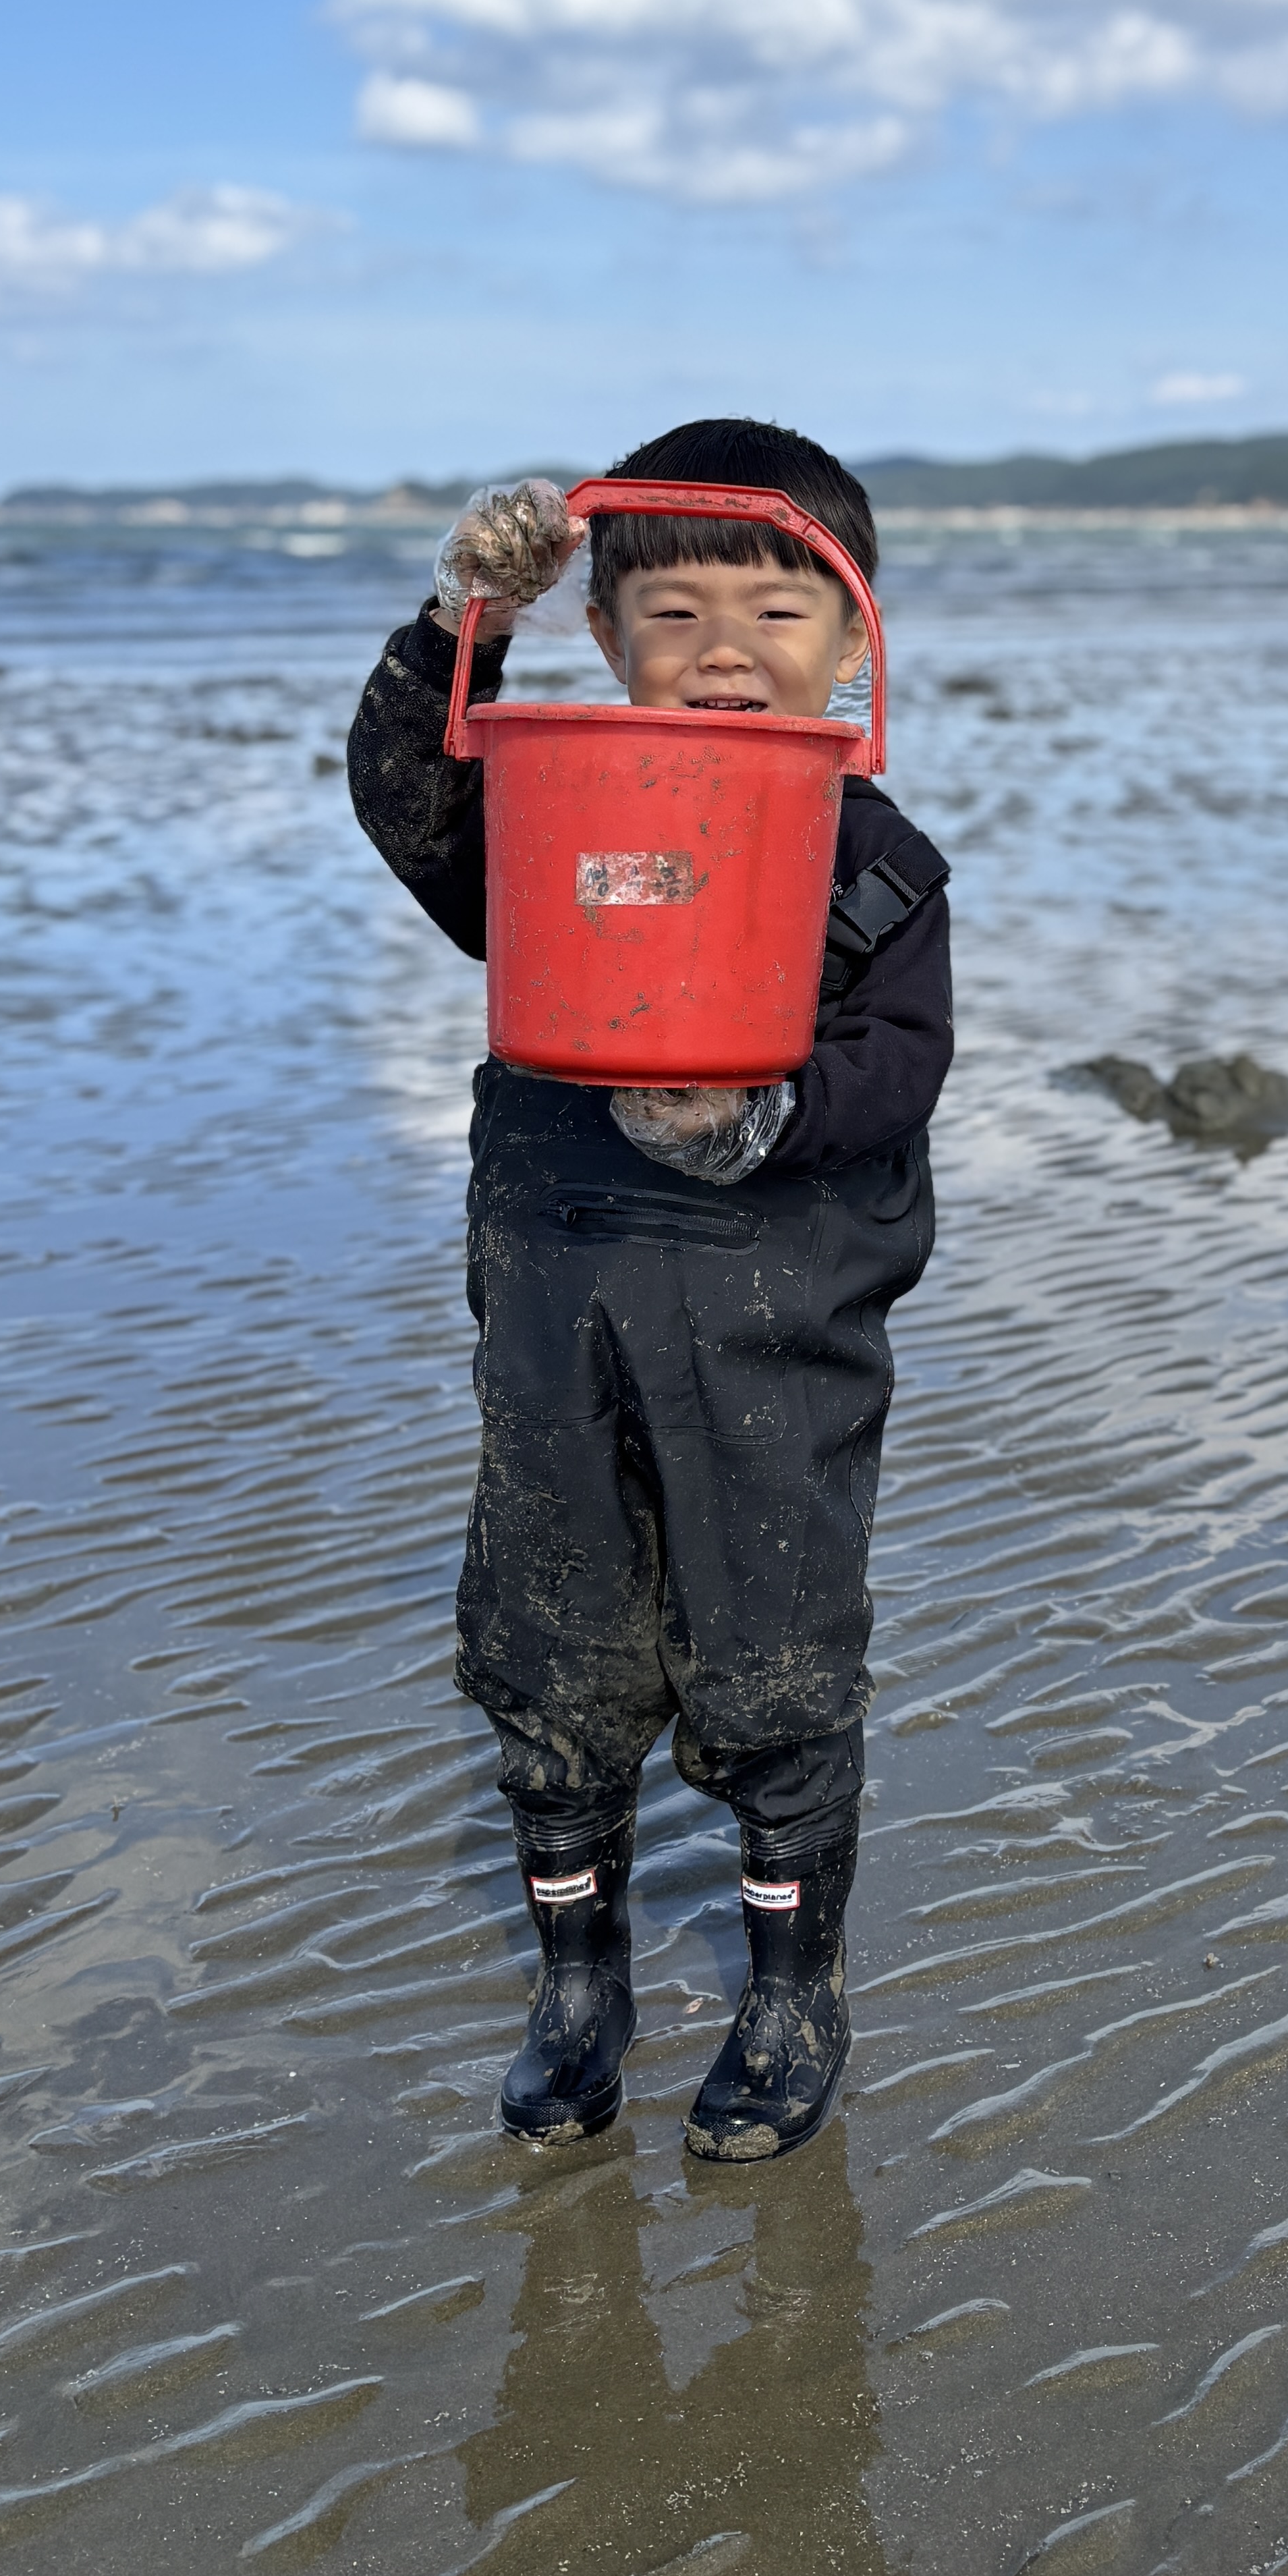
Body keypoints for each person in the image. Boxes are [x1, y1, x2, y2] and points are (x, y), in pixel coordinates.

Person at [345, 416, 952, 2162]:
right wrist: (463, 619)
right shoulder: (552, 825)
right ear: (605, 635)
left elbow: (902, 1067)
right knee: (555, 1662)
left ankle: (791, 1994)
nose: (724, 652)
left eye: (777, 613)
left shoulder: (873, 863)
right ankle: (578, 1988)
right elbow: (408, 798)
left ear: (853, 640)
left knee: (775, 1666)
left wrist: (762, 1119)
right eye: (673, 613)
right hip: (561, 1328)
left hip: (771, 1345)